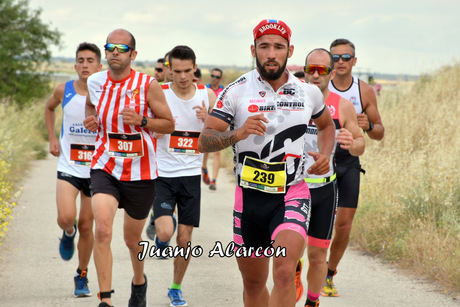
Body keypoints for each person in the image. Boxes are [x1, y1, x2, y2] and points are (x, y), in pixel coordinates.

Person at [198, 19, 335, 307]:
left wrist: (325, 154)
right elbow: (205, 139)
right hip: (249, 198)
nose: (271, 53)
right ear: (253, 49)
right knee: (254, 283)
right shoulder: (235, 92)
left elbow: (326, 126)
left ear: (290, 50)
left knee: (285, 271)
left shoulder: (307, 91)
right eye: (264, 46)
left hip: (292, 193)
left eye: (278, 47)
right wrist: (238, 133)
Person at [83, 28, 175, 307]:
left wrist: (142, 121)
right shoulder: (96, 82)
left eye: (121, 49)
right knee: (103, 229)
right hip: (105, 165)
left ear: (133, 54)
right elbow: (90, 106)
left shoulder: (148, 85)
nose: (113, 52)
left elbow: (168, 124)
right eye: (109, 47)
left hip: (140, 171)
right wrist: (91, 119)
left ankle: (138, 280)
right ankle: (106, 299)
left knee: (131, 240)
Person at [295, 48, 365, 307]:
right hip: (294, 187)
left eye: (322, 70)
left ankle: (312, 302)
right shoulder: (292, 101)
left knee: (317, 254)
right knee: (291, 249)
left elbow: (360, 144)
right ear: (304, 71)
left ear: (331, 72)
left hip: (325, 188)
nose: (315, 75)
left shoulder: (342, 106)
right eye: (310, 69)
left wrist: (351, 142)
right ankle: (292, 273)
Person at [153, 45, 216, 307]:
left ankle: (176, 288)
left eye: (187, 71)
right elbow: (146, 125)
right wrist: (154, 130)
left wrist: (209, 120)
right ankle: (160, 233)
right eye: (176, 71)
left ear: (195, 67)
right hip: (163, 173)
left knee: (185, 238)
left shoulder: (207, 95)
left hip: (191, 175)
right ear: (169, 69)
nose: (181, 76)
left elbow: (222, 135)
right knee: (167, 233)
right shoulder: (160, 93)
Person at [322, 38, 384, 297]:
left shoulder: (364, 91)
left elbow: (379, 132)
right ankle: (305, 264)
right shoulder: (319, 85)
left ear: (354, 62)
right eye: (335, 58)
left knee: (344, 225)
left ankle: (328, 274)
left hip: (348, 162)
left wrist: (368, 126)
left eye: (345, 58)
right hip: (319, 161)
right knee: (317, 221)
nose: (340, 62)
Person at [44, 42, 102, 297]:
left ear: (99, 66)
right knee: (67, 218)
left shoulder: (105, 94)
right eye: (81, 60)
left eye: (90, 60)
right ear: (75, 64)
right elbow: (49, 108)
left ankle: (82, 275)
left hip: (96, 169)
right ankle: (68, 233)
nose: (85, 65)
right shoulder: (63, 90)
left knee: (88, 227)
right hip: (69, 165)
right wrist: (52, 138)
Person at [202, 68, 224, 190]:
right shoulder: (205, 89)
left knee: (217, 152)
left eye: (217, 77)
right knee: (206, 150)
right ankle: (204, 167)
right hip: (206, 124)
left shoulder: (223, 91)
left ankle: (213, 181)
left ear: (220, 79)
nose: (214, 78)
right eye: (212, 76)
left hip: (219, 124)